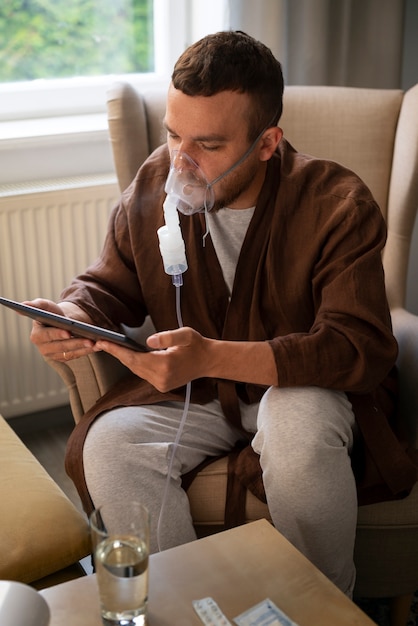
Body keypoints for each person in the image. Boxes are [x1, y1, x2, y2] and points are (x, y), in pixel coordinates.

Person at [29, 31, 404, 597]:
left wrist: (211, 355)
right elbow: (109, 286)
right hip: (199, 395)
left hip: (304, 390)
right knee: (110, 444)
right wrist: (71, 312)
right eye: (174, 135)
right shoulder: (154, 185)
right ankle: (184, 605)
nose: (182, 162)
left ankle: (323, 605)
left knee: (296, 427)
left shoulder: (337, 204)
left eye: (207, 144)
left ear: (267, 143)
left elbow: (356, 346)